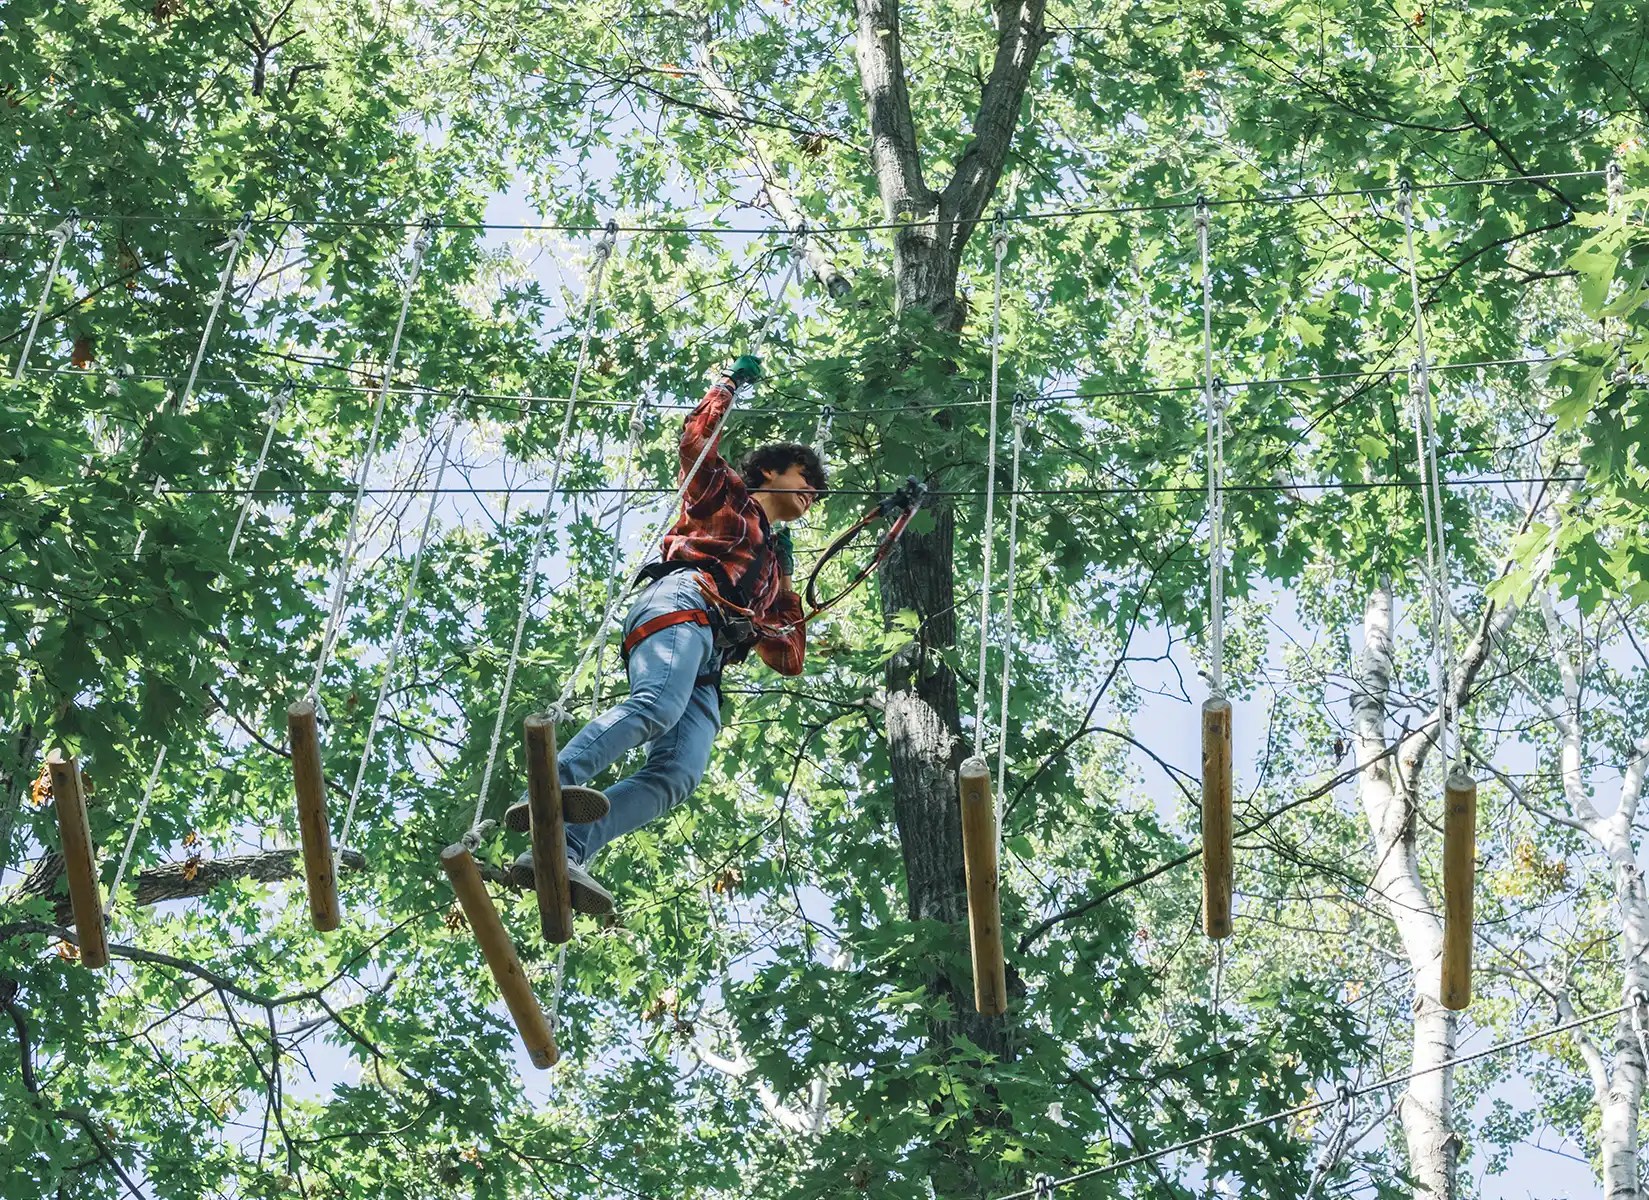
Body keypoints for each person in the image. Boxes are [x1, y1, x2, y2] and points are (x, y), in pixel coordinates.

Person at [507, 354, 827, 913]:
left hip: (710, 660)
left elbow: (788, 656)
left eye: (819, 492)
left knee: (677, 775)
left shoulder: (775, 566)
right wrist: (728, 385)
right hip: (683, 603)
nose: (813, 493)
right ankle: (551, 786)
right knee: (656, 704)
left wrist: (786, 583)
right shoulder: (727, 497)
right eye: (806, 478)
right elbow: (695, 442)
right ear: (771, 471)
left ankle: (565, 848)